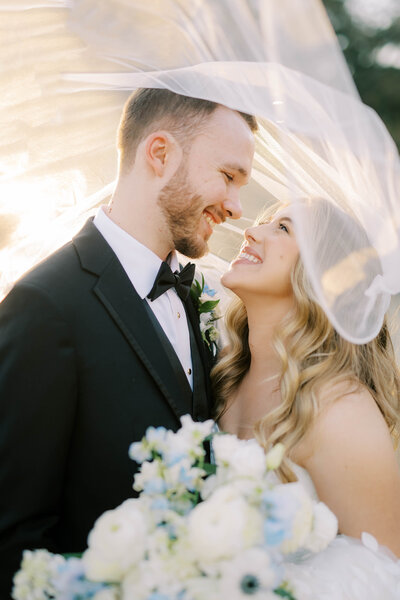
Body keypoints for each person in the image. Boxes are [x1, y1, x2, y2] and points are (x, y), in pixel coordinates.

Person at [0, 87, 256, 596]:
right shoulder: (45, 306)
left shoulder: (197, 296)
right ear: (159, 154)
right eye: (228, 177)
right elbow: (13, 539)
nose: (236, 206)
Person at [213, 199, 400, 597]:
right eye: (264, 221)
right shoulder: (224, 374)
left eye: (282, 229)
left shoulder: (338, 409)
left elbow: (385, 576)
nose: (251, 231)